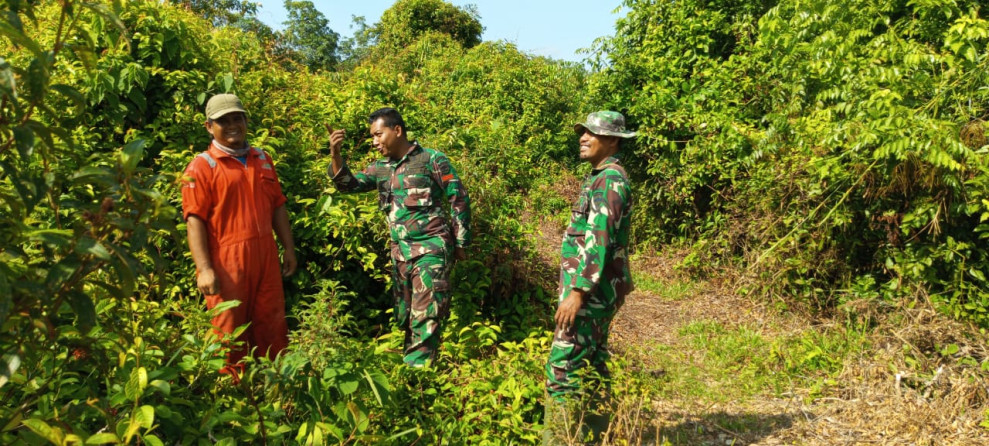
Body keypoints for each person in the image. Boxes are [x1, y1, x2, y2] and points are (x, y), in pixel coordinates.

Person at [327, 107, 471, 367]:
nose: (374, 142)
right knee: (404, 315)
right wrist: (336, 155)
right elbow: (348, 185)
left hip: (432, 248)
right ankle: (415, 370)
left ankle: (417, 375)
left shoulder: (431, 159)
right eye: (372, 136)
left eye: (378, 135)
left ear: (397, 130)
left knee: (425, 313)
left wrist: (460, 242)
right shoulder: (380, 168)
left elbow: (457, 197)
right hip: (400, 254)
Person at [181, 93, 297, 378]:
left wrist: (289, 249)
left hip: (266, 258)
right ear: (209, 127)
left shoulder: (262, 158)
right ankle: (232, 397)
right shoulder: (202, 166)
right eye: (223, 121)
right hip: (226, 262)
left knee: (271, 323)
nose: (232, 125)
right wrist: (204, 269)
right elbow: (194, 219)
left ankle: (276, 387)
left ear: (245, 121)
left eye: (237, 118)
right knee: (227, 329)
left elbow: (278, 206)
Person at [544, 111, 635, 443]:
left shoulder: (609, 180)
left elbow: (599, 240)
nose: (583, 137)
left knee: (562, 370)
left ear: (612, 141)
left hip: (589, 296)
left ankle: (560, 440)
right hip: (596, 293)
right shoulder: (601, 177)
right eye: (582, 132)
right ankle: (600, 436)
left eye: (592, 133)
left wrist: (578, 293)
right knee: (593, 364)